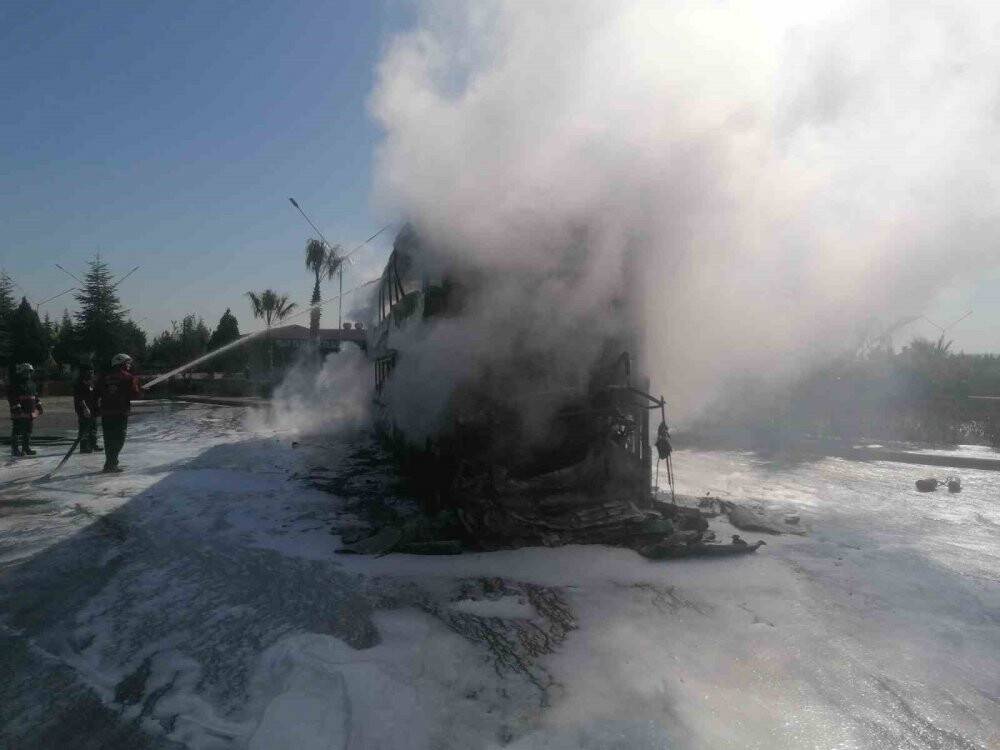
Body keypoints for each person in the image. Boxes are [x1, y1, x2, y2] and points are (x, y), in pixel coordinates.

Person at [96, 353, 142, 473]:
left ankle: (109, 463)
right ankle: (112, 463)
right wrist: (137, 385)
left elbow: (96, 393)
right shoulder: (128, 377)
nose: (129, 365)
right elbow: (135, 394)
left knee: (108, 439)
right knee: (119, 438)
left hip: (106, 412)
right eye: (127, 363)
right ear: (121, 363)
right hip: (120, 412)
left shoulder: (104, 377)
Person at [7, 362, 43, 457]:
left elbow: (35, 396)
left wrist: (39, 406)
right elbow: (12, 398)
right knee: (17, 431)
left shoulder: (32, 384)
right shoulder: (15, 384)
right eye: (25, 372)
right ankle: (15, 449)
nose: (28, 374)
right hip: (19, 412)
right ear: (21, 372)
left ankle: (26, 448)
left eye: (29, 372)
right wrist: (18, 409)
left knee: (28, 430)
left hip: (29, 412)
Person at [73, 363, 101, 453]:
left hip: (93, 408)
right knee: (84, 428)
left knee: (93, 427)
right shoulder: (79, 383)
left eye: (92, 371)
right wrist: (85, 408)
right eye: (89, 371)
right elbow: (79, 398)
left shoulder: (92, 382)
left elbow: (96, 395)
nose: (91, 373)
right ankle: (84, 446)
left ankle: (93, 444)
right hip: (83, 409)